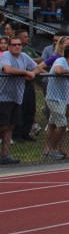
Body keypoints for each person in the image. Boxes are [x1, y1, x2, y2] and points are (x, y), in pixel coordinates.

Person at [0, 36, 41, 164]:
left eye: (19, 44)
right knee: (3, 126)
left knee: (10, 126)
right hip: (3, 96)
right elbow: (7, 69)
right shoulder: (6, 55)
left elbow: (37, 67)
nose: (17, 47)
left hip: (17, 96)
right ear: (9, 46)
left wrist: (32, 73)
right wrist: (25, 72)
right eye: (14, 45)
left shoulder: (24, 56)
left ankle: (5, 155)